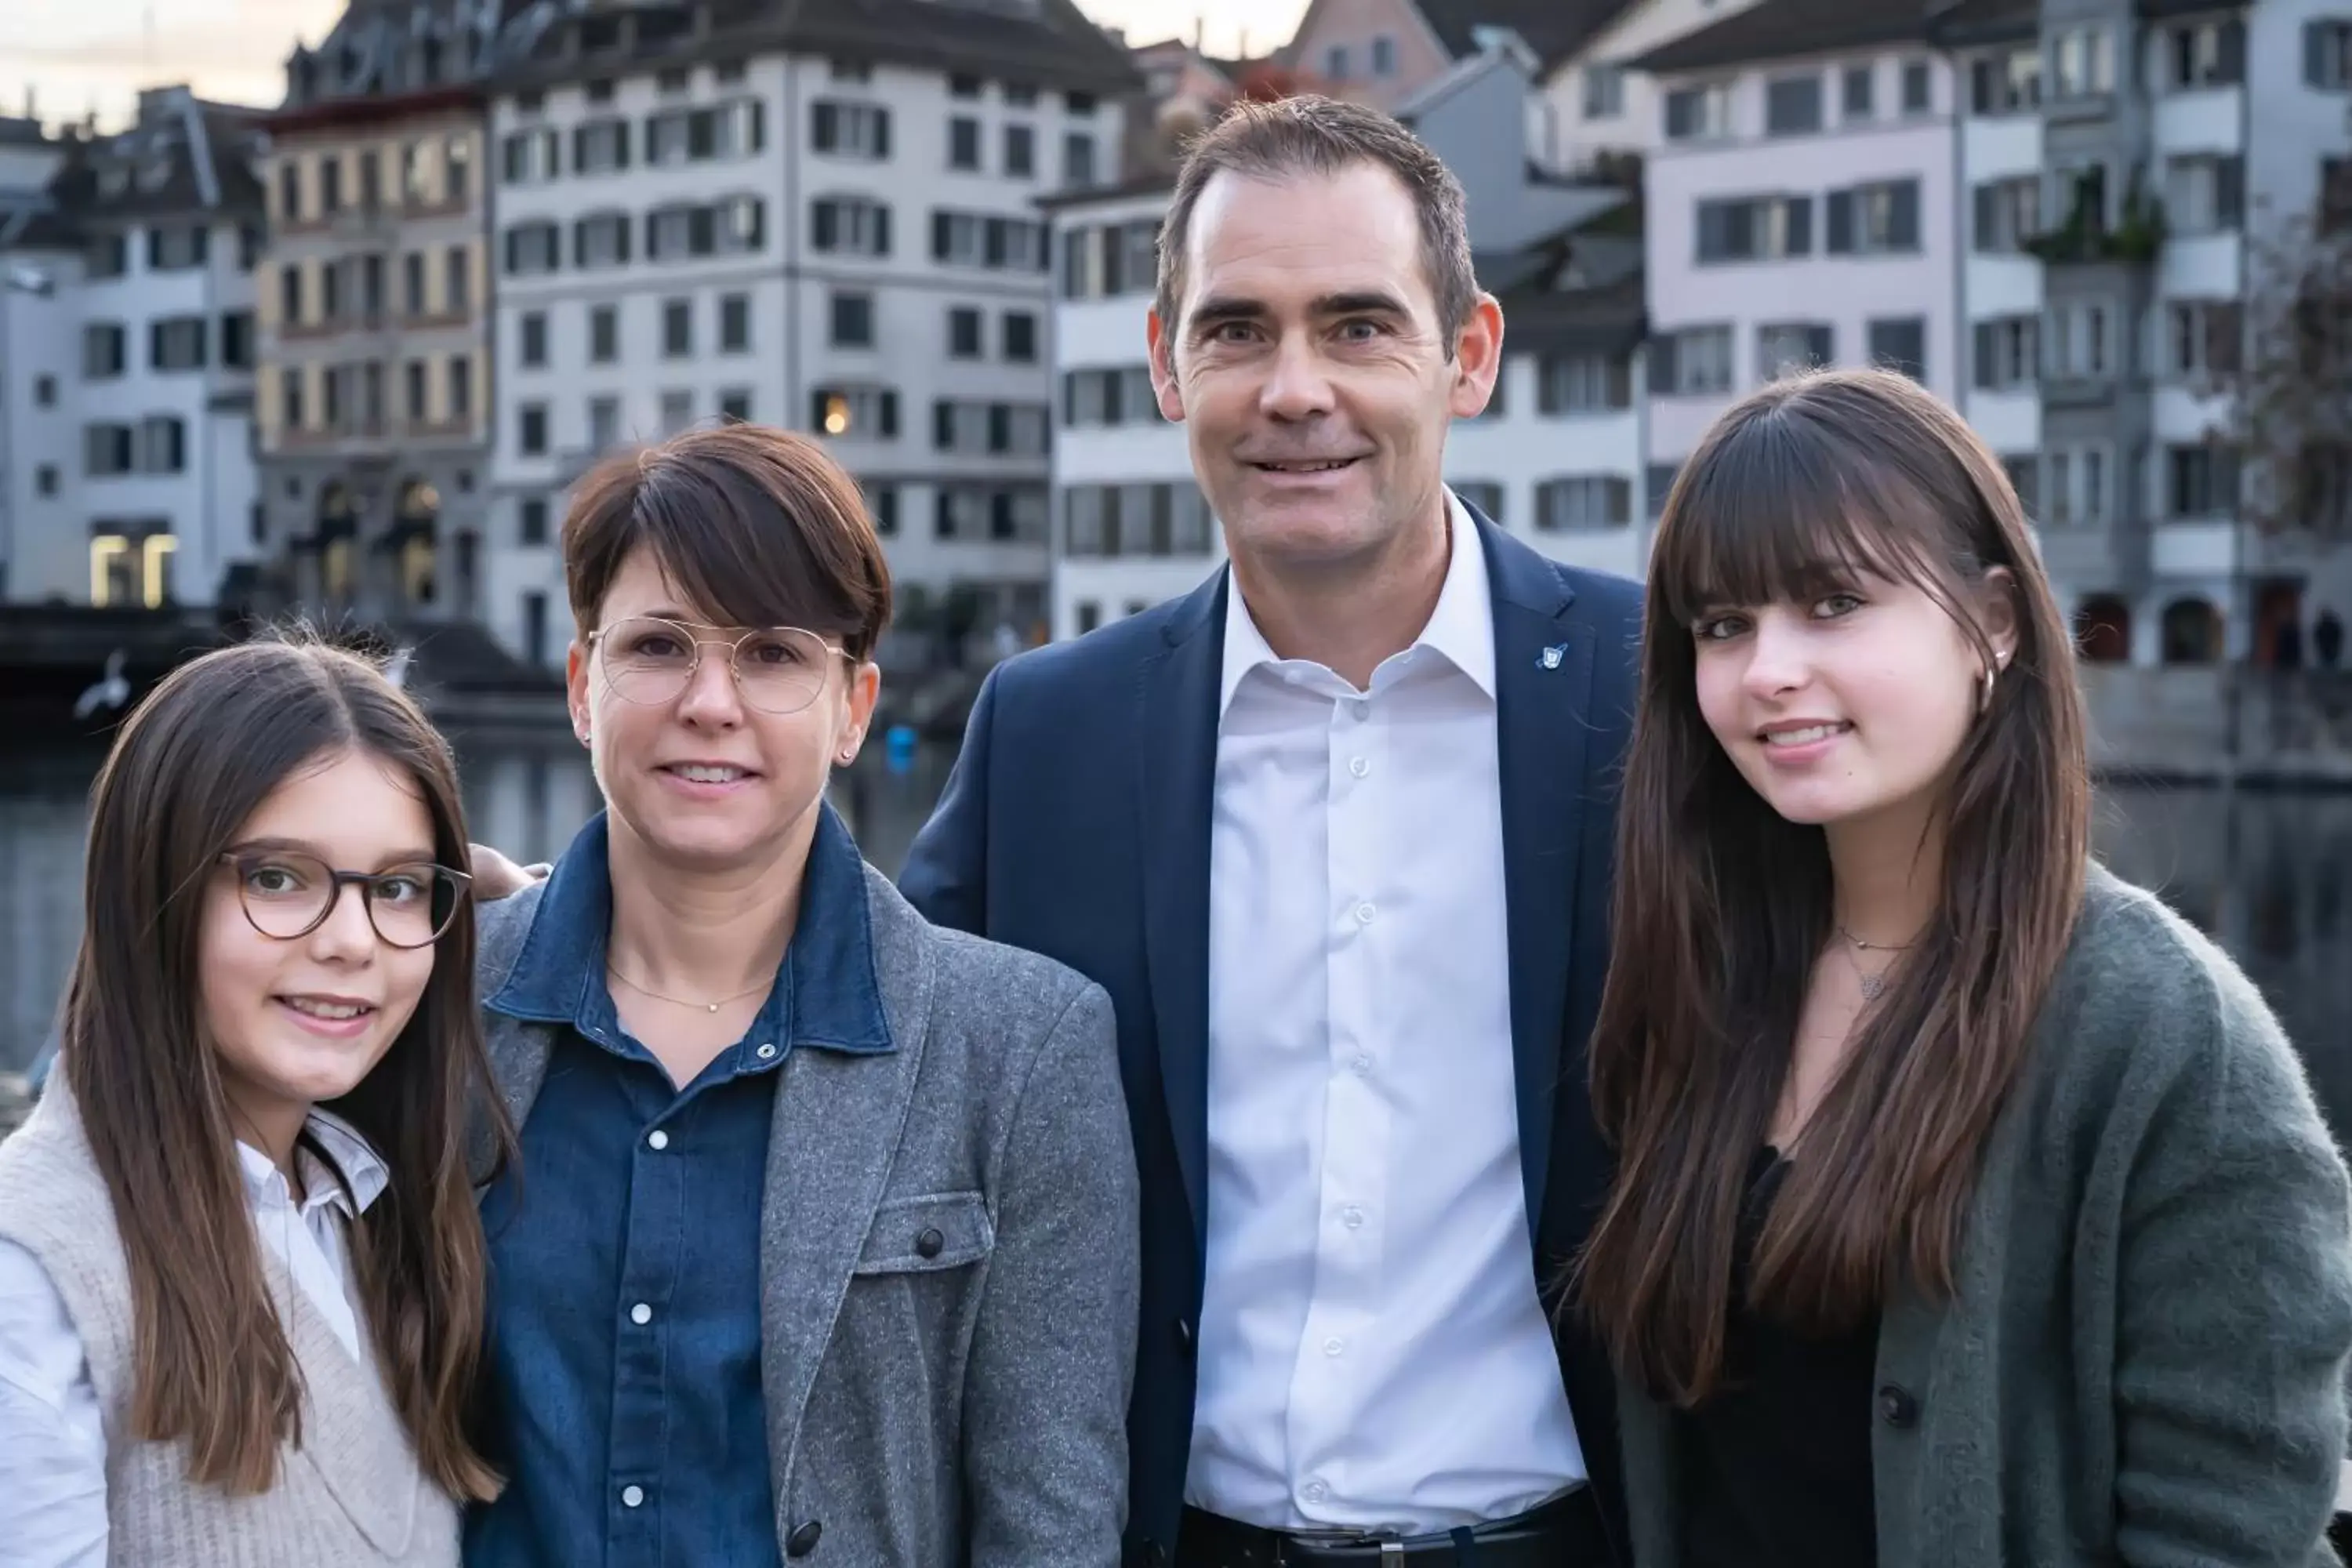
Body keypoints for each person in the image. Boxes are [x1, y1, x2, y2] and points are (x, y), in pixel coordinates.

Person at [898, 96, 1641, 1566]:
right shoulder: (1051, 733)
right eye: (1238, 330)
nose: (1295, 388)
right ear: (1168, 367)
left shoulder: (1656, 696)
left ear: (1469, 355)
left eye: (1360, 325)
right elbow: (861, 1026)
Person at [1573, 366, 2352, 1567]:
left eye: (1832, 602)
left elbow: (2231, 1530)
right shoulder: (1707, 982)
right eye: (1723, 624)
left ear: (1992, 620)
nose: (1767, 667)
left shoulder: (2166, 1040)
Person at [460, 423, 1138, 1566]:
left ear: (852, 706)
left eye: (772, 654)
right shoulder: (435, 998)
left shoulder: (1022, 1051)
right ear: (585, 688)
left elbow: (1051, 1520)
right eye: (660, 646)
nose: (710, 701)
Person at [0, 637, 510, 1566]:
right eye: (277, 876)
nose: (354, 940)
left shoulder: (378, 1216)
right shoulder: (33, 1267)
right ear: (150, 893)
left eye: (397, 887)